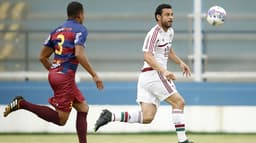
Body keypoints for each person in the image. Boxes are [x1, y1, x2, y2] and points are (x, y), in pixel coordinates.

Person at [3, 1, 103, 143]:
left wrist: (55, 71)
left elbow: (42, 57)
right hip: (65, 77)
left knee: (83, 108)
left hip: (56, 74)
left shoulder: (56, 31)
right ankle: (22, 103)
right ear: (80, 15)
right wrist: (94, 75)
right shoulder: (80, 29)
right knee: (61, 119)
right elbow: (79, 55)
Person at [94, 3, 192, 143]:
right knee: (179, 102)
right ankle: (183, 140)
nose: (171, 17)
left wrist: (180, 62)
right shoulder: (154, 33)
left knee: (147, 117)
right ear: (158, 17)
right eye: (167, 15)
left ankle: (110, 116)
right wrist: (164, 71)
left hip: (147, 78)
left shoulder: (170, 32)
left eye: (172, 14)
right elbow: (147, 56)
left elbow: (168, 51)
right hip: (154, 74)